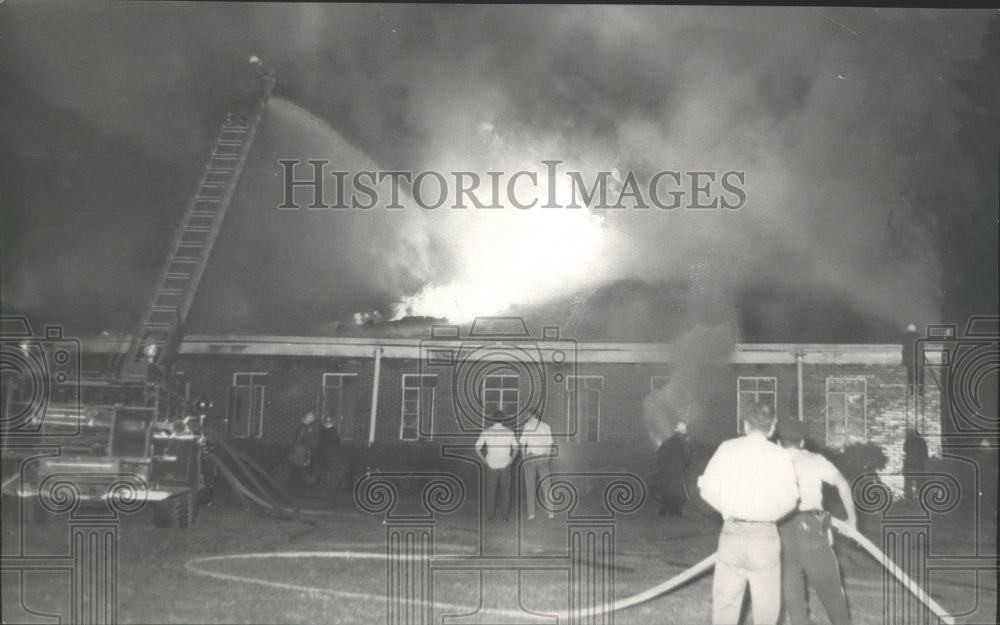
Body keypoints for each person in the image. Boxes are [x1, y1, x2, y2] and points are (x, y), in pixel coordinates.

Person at [697, 403, 799, 625]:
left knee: (726, 606)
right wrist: (769, 514)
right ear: (772, 428)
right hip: (765, 536)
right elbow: (791, 498)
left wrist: (727, 508)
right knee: (766, 609)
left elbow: (706, 489)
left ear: (745, 425)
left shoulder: (727, 448)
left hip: (732, 533)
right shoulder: (780, 455)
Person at [776, 418, 857, 625]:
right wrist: (852, 519)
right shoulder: (813, 459)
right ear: (802, 442)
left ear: (778, 442)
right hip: (810, 526)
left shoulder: (771, 461)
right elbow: (842, 482)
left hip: (780, 529)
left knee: (794, 600)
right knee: (833, 595)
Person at [475, 410, 519, 521]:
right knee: (505, 491)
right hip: (505, 463)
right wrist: (512, 460)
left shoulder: (486, 432)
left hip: (491, 464)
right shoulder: (509, 432)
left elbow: (476, 448)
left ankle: (490, 516)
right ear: (503, 419)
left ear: (492, 419)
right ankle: (505, 516)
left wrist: (484, 460)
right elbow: (516, 448)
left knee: (490, 490)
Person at [519, 409, 555, 520]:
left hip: (530, 457)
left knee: (530, 486)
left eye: (527, 415)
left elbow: (522, 444)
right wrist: (547, 456)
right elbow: (549, 444)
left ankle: (531, 514)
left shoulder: (527, 426)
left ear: (530, 415)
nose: (526, 417)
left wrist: (524, 458)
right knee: (546, 485)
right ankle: (551, 513)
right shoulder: (546, 426)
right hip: (543, 456)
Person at [654, 421, 692, 517]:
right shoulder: (683, 442)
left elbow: (658, 454)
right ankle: (676, 512)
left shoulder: (667, 441)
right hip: (676, 472)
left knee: (666, 491)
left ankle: (663, 511)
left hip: (665, 472)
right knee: (678, 492)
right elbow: (686, 457)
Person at [289, 411, 320, 484]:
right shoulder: (302, 427)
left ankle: (302, 481)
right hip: (301, 449)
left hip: (306, 449)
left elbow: (314, 438)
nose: (309, 418)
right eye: (308, 416)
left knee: (305, 466)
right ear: (305, 417)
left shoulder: (312, 427)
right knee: (299, 465)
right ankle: (297, 482)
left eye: (311, 417)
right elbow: (299, 439)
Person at [902, 428, 928, 502]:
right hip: (919, 466)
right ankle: (920, 499)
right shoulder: (922, 441)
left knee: (908, 484)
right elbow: (925, 454)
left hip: (909, 466)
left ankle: (908, 500)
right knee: (919, 483)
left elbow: (904, 449)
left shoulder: (908, 440)